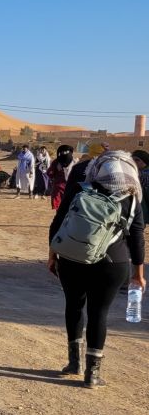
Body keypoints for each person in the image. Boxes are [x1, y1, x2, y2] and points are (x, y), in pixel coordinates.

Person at [48, 150, 145, 388]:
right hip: (113, 263)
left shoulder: (80, 189)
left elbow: (58, 222)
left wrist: (52, 255)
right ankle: (92, 374)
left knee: (74, 306)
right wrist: (138, 274)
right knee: (99, 313)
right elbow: (137, 238)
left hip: (72, 258)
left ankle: (74, 363)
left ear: (97, 170)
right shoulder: (132, 198)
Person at [46, 145, 76, 210]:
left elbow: (50, 173)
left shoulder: (56, 162)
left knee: (60, 208)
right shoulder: (75, 162)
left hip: (59, 188)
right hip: (71, 188)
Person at [131, 149, 149, 221]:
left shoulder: (144, 174)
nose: (134, 162)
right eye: (132, 160)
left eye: (137, 160)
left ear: (145, 162)